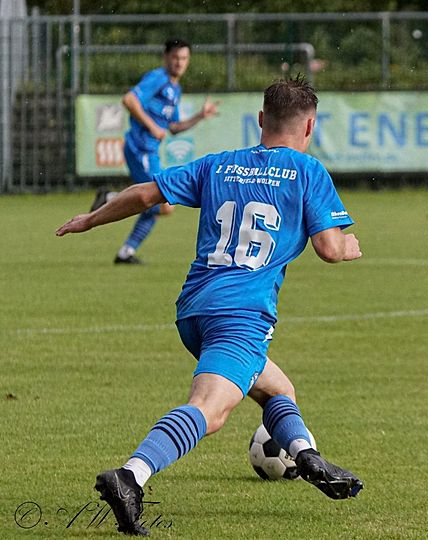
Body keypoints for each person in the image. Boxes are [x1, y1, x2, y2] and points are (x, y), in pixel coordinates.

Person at [58, 77, 363, 536]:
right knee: (209, 410)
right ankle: (131, 475)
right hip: (240, 316)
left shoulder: (219, 164)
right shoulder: (308, 171)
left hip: (194, 310)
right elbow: (329, 248)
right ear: (310, 127)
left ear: (261, 120)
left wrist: (91, 220)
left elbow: (145, 194)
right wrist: (349, 247)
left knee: (277, 389)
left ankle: (306, 456)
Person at [91, 38, 219, 265]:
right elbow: (129, 100)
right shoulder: (158, 78)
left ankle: (126, 252)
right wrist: (152, 126)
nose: (179, 62)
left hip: (150, 151)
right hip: (139, 147)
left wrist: (200, 115)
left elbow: (174, 128)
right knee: (162, 202)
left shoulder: (175, 89)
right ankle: (109, 198)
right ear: (165, 57)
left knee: (156, 204)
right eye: (175, 57)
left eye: (184, 58)